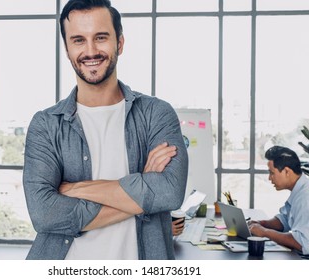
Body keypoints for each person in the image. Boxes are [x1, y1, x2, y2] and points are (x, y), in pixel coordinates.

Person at [23, 0, 188, 260]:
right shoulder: (46, 124)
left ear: (119, 43)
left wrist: (76, 188)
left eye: (100, 37)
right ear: (67, 48)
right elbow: (44, 215)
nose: (90, 51)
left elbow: (169, 193)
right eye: (78, 40)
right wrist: (143, 188)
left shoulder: (156, 113)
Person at [248, 145, 309, 259]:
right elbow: (285, 220)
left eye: (272, 173)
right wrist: (263, 223)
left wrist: (264, 232)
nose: (269, 178)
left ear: (287, 171)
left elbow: (303, 243)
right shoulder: (301, 189)